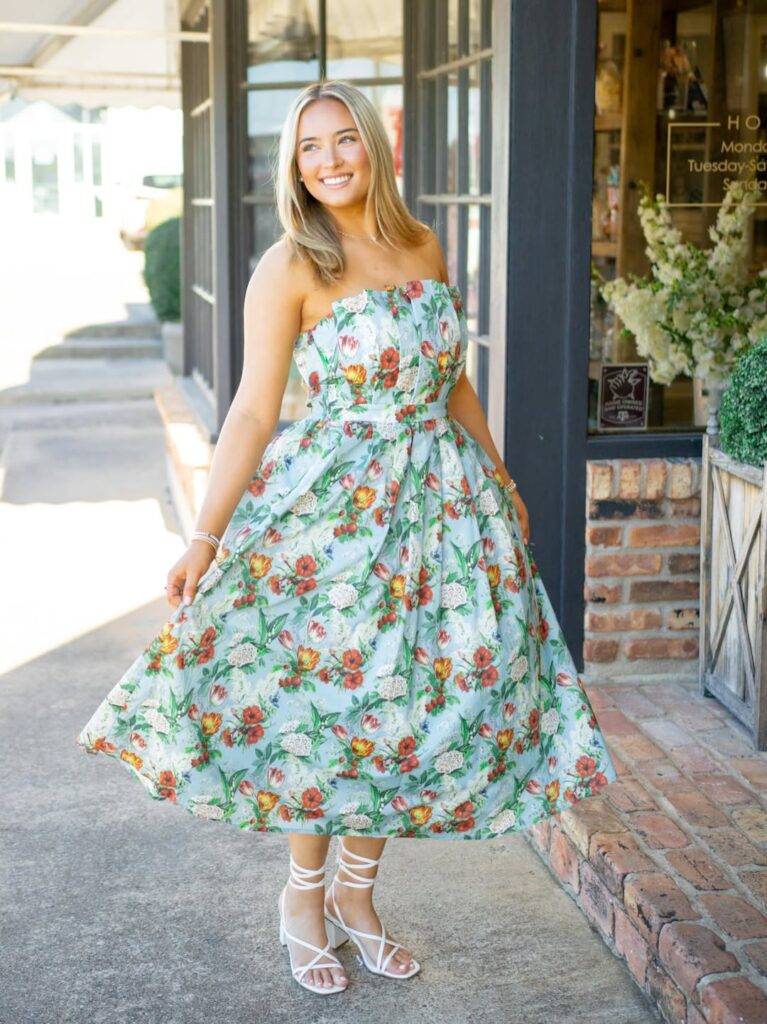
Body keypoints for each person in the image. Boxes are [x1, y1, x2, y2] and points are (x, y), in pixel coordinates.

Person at [76, 78, 619, 997]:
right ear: (295, 164)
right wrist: (205, 537)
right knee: (331, 698)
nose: (326, 161)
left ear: (373, 146)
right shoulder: (291, 265)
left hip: (443, 509)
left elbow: (453, 382)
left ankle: (359, 900)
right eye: (307, 147)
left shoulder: (421, 244)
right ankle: (303, 899)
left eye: (341, 141)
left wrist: (499, 476)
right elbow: (251, 411)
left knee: (410, 707)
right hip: (336, 515)